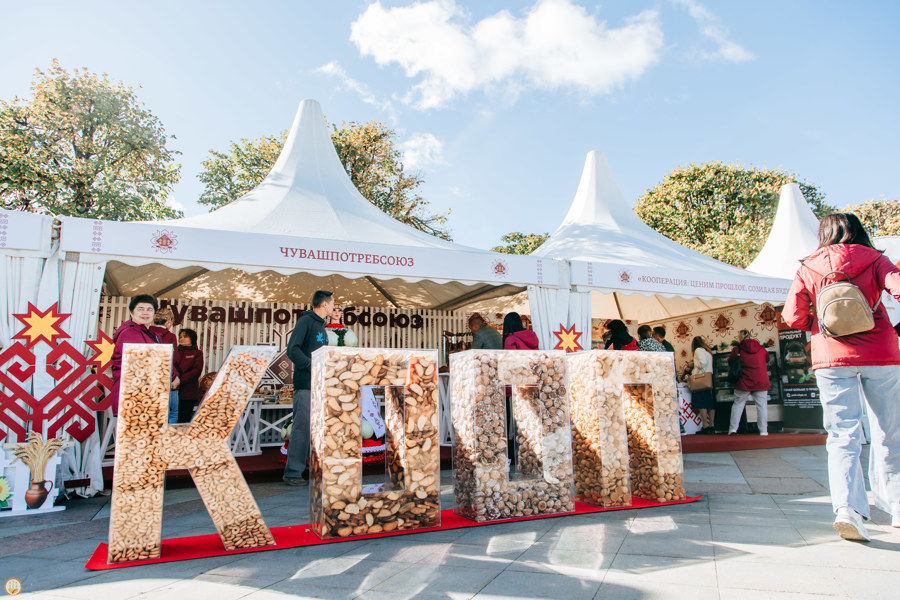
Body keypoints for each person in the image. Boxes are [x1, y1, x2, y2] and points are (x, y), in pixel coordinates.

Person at [784, 212, 900, 541]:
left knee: (842, 435)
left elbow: (792, 316)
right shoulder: (876, 259)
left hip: (831, 358)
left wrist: (820, 328)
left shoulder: (808, 266)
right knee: (889, 433)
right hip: (882, 353)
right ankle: (897, 506)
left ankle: (847, 509)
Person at [284, 290, 333, 486]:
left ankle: (307, 467)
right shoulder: (306, 321)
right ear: (323, 304)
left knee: (315, 429)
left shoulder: (321, 326)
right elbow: (292, 349)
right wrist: (311, 364)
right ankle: (292, 472)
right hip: (305, 384)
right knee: (301, 427)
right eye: (332, 303)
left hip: (319, 384)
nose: (333, 307)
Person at [109, 295, 171, 416]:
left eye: (149, 309)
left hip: (150, 395)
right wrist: (173, 375)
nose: (145, 313)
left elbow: (165, 358)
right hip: (132, 396)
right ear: (132, 313)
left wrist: (174, 375)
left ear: (154, 313)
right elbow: (144, 360)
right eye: (140, 309)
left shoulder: (154, 335)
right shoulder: (129, 333)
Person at [727, 330, 771, 436]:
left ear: (740, 337)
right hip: (761, 381)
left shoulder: (737, 350)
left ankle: (733, 429)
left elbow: (730, 361)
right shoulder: (762, 349)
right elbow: (767, 359)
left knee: (738, 404)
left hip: (743, 382)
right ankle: (763, 431)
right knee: (761, 406)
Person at [151, 307, 181, 424]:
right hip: (167, 377)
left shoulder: (148, 332)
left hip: (151, 379)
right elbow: (173, 358)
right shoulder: (169, 336)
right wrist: (175, 376)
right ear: (169, 321)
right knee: (172, 412)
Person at [176, 328, 204, 423]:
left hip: (188, 394)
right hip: (173, 392)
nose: (181, 339)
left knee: (183, 420)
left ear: (192, 338)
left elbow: (196, 371)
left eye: (185, 336)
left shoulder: (197, 353)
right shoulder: (175, 351)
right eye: (180, 337)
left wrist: (180, 380)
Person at [691, 335, 716, 434]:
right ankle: (712, 425)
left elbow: (702, 363)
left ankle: (705, 426)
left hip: (701, 379)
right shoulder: (707, 351)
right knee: (710, 403)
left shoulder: (698, 350)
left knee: (702, 402)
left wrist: (694, 363)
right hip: (709, 378)